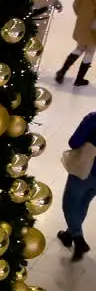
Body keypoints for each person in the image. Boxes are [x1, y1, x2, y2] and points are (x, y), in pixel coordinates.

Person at [59, 111, 96, 260]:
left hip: (86, 170)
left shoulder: (93, 119)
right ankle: (69, 234)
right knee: (84, 202)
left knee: (70, 203)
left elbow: (74, 142)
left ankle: (78, 239)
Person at [55, 0, 96, 87]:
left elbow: (76, 5)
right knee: (90, 51)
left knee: (80, 47)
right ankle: (79, 79)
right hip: (94, 28)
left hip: (83, 23)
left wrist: (83, 17)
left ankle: (62, 71)